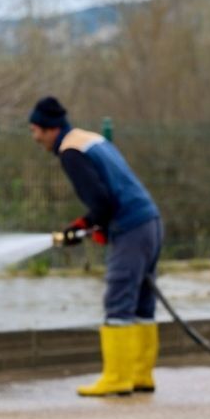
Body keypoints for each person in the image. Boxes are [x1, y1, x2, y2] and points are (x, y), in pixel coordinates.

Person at [28, 96, 163, 397]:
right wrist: (91, 225)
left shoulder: (70, 152)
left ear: (49, 129)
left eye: (35, 130)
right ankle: (141, 375)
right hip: (149, 221)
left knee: (118, 300)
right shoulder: (90, 138)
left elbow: (101, 203)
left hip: (130, 227)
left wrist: (83, 227)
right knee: (142, 302)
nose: (35, 138)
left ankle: (116, 377)